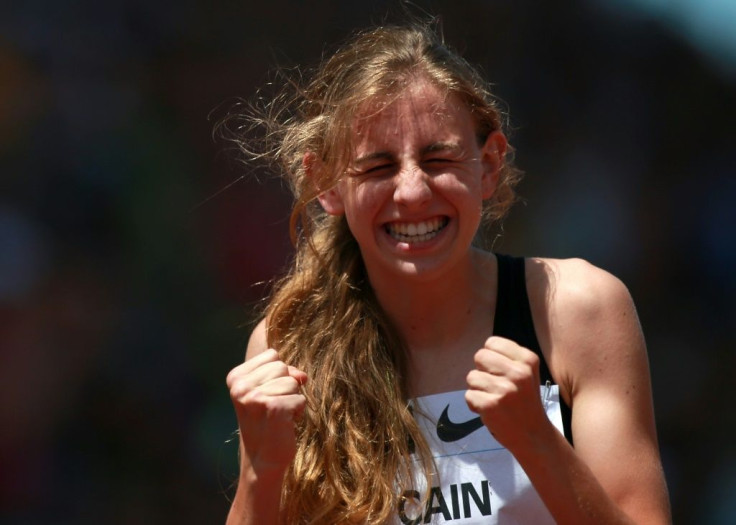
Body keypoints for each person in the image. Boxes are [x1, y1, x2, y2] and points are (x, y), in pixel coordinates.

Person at [224, 22, 671, 524]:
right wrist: (261, 470)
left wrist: (537, 441)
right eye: (377, 167)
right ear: (326, 184)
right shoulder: (289, 346)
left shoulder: (576, 310)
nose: (412, 192)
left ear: (489, 164)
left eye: (439, 158)